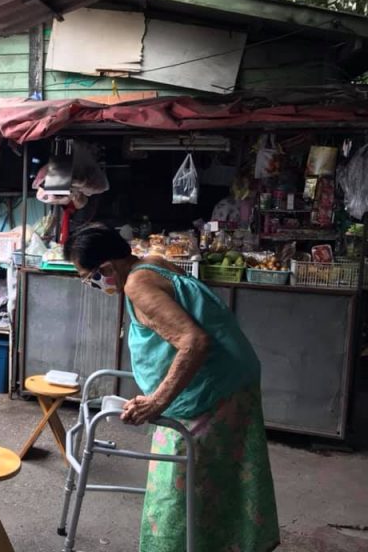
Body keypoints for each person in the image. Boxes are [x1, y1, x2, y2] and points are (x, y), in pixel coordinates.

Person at [63, 221, 280, 552]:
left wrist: (156, 402)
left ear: (106, 267)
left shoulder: (138, 284)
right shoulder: (151, 262)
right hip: (231, 379)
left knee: (178, 490)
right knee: (222, 481)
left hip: (212, 391)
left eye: (89, 277)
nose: (93, 285)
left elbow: (194, 341)